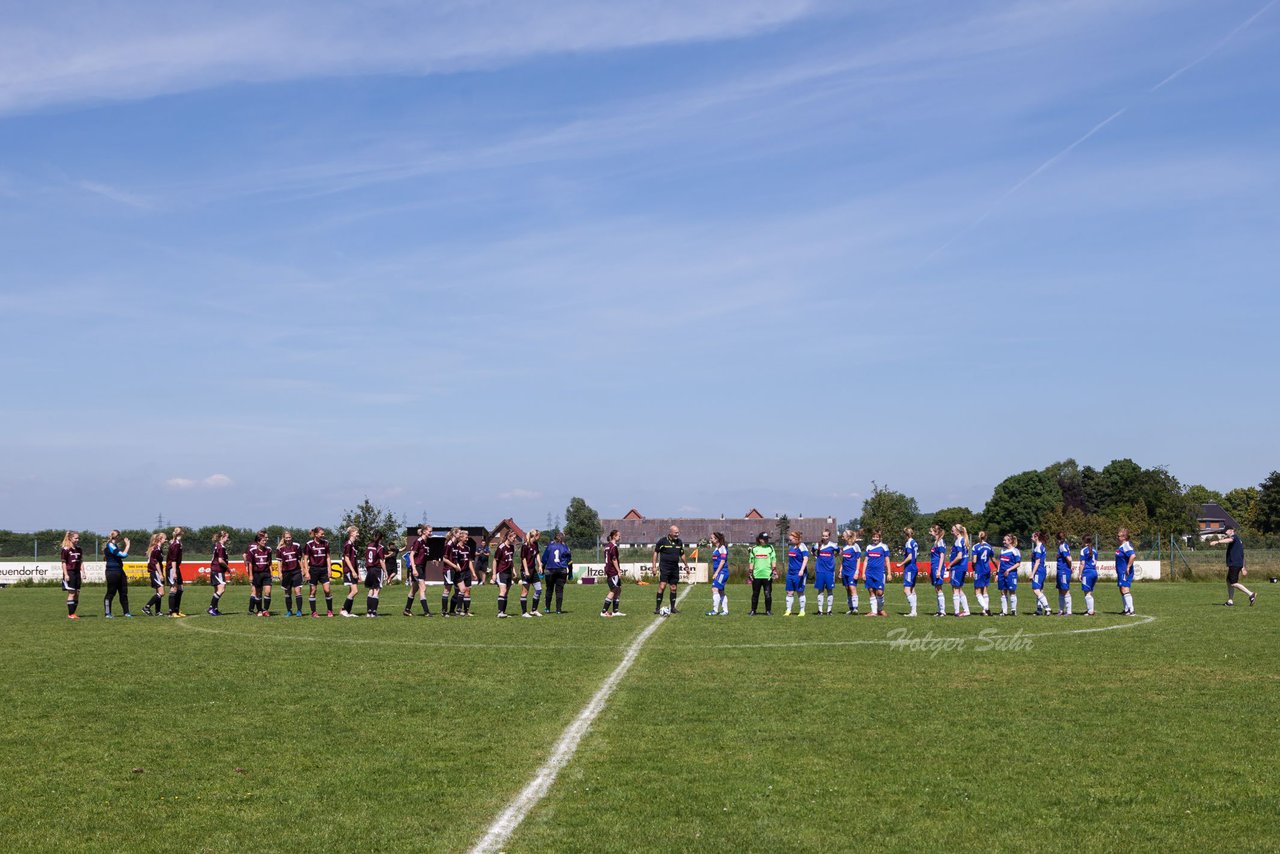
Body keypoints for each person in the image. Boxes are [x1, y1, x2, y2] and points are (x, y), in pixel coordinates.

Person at [1209, 525, 1257, 607]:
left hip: (1235, 564)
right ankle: (1230, 601)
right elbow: (1241, 554)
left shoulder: (1234, 537)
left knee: (1234, 583)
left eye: (1226, 531)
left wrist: (1217, 542)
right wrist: (1243, 567)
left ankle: (1251, 594)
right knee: (1229, 581)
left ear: (1231, 530)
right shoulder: (1238, 540)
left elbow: (1229, 540)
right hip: (1236, 564)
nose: (1225, 533)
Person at [652, 525, 688, 615]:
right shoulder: (662, 541)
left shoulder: (679, 542)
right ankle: (657, 608)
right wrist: (654, 566)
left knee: (673, 588)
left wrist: (686, 565)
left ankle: (673, 608)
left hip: (674, 568)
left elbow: (682, 554)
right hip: (664, 567)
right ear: (670, 533)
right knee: (662, 586)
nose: (677, 534)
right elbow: (656, 552)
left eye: (678, 532)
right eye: (676, 533)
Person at [305, 526, 334, 617]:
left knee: (327, 590)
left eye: (323, 533)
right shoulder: (309, 544)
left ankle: (329, 610)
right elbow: (305, 559)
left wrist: (329, 569)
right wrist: (306, 572)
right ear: (316, 534)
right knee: (313, 591)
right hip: (313, 570)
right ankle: (314, 612)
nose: (323, 535)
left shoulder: (326, 543)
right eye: (322, 534)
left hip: (323, 569)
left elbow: (328, 557)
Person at [404, 525, 433, 617]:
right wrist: (414, 568)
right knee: (423, 588)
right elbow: (411, 555)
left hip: (421, 567)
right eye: (429, 531)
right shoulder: (418, 541)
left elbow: (423, 556)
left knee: (414, 589)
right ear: (424, 531)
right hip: (417, 567)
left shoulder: (426, 542)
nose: (431, 533)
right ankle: (426, 612)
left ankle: (407, 610)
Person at [103, 530, 132, 618]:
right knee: (111, 593)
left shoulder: (114, 545)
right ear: (117, 537)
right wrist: (127, 545)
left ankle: (126, 612)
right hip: (112, 571)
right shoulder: (110, 545)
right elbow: (122, 555)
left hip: (120, 571)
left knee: (123, 593)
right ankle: (108, 613)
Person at [541, 531, 572, 615]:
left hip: (550, 570)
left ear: (554, 538)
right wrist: (570, 573)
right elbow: (569, 561)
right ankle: (558, 610)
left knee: (549, 589)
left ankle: (547, 608)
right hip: (561, 570)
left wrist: (542, 571)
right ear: (563, 539)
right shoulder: (565, 547)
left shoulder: (549, 546)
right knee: (559, 591)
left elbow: (544, 560)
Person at [861, 529, 890, 617]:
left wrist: (889, 573)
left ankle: (880, 610)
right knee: (871, 591)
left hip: (880, 573)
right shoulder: (869, 547)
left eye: (877, 537)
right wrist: (863, 573)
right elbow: (866, 561)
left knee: (880, 592)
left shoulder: (884, 547)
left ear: (880, 538)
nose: (875, 538)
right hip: (869, 572)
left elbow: (887, 560)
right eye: (873, 537)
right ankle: (873, 612)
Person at [747, 532, 776, 616]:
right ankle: (753, 610)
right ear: (760, 540)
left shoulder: (770, 548)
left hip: (767, 575)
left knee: (767, 594)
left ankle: (768, 610)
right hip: (756, 575)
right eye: (765, 539)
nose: (767, 540)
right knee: (755, 593)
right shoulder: (754, 548)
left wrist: (774, 570)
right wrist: (750, 572)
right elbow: (751, 561)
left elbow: (773, 559)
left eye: (767, 539)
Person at [246, 530, 274, 616]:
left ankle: (265, 610)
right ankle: (259, 610)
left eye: (265, 540)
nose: (265, 542)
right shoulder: (252, 551)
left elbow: (269, 562)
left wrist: (271, 572)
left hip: (266, 574)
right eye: (263, 540)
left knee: (268, 592)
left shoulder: (268, 550)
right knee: (258, 593)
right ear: (258, 541)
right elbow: (250, 564)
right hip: (257, 574)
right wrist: (250, 575)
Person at [276, 531, 304, 617]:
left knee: (297, 591)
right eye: (286, 538)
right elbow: (279, 562)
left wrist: (303, 569)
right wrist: (280, 573)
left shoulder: (297, 546)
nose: (288, 539)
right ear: (283, 538)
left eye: (289, 537)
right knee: (287, 592)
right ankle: (289, 611)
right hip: (286, 573)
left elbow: (300, 559)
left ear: (291, 537)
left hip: (296, 571)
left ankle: (299, 611)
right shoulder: (280, 549)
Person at [812, 529, 838, 616]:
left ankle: (829, 610)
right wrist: (816, 557)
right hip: (820, 570)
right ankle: (820, 610)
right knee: (820, 590)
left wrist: (834, 556)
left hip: (829, 571)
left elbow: (839, 551)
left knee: (829, 590)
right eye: (823, 535)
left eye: (826, 536)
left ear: (829, 536)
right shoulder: (818, 545)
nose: (824, 537)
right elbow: (812, 551)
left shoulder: (833, 545)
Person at [783, 530, 809, 617]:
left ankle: (802, 611)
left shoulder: (802, 547)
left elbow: (805, 559)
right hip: (790, 573)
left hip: (799, 573)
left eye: (791, 540)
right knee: (789, 592)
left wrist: (802, 570)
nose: (790, 541)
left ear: (797, 539)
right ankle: (788, 610)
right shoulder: (792, 547)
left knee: (799, 591)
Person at [948, 524, 971, 617]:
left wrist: (950, 565)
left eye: (953, 530)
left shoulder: (959, 541)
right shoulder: (963, 540)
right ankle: (966, 610)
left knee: (955, 589)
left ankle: (957, 611)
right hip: (962, 567)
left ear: (958, 531)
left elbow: (959, 556)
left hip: (958, 567)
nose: (951, 531)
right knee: (959, 589)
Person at [143, 531, 168, 617]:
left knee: (158, 592)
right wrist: (160, 574)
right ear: (160, 539)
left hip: (156, 571)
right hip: (155, 572)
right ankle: (146, 607)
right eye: (165, 538)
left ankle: (158, 611)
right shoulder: (156, 549)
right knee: (161, 593)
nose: (166, 540)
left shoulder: (156, 548)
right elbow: (156, 562)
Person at [519, 529, 543, 617]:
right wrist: (526, 570)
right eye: (539, 535)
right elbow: (523, 558)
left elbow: (537, 554)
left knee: (539, 589)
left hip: (533, 570)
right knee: (525, 591)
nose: (540, 537)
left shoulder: (535, 544)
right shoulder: (525, 545)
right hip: (526, 570)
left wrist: (540, 565)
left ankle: (534, 610)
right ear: (535, 535)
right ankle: (524, 612)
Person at [364, 532, 388, 617]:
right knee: (376, 591)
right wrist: (385, 572)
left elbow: (366, 557)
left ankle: (368, 612)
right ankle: (373, 612)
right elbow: (381, 561)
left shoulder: (369, 545)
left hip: (369, 569)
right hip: (377, 570)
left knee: (371, 590)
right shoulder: (380, 547)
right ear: (381, 538)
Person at [60, 531, 83, 619]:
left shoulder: (79, 549)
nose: (77, 540)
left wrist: (83, 572)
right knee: (72, 593)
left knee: (77, 593)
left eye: (78, 538)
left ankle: (73, 613)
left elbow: (81, 561)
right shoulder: (65, 549)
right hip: (70, 572)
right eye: (76, 538)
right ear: (70, 538)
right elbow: (63, 563)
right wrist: (66, 574)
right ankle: (70, 614)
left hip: (77, 573)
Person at [603, 529, 626, 617]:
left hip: (610, 570)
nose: (620, 537)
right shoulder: (613, 546)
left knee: (618, 589)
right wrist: (618, 571)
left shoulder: (607, 546)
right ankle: (604, 611)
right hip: (612, 571)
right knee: (613, 590)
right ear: (614, 536)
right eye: (619, 536)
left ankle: (615, 611)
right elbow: (614, 559)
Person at [494, 530, 517, 618]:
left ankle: (503, 612)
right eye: (513, 538)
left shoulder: (511, 547)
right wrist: (494, 574)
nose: (515, 539)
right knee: (502, 591)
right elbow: (495, 560)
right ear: (508, 537)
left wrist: (514, 570)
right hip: (501, 572)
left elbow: (511, 560)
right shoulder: (501, 547)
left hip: (508, 572)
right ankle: (500, 612)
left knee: (506, 593)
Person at [339, 526, 360, 617]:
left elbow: (354, 560)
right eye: (356, 532)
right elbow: (347, 559)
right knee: (355, 591)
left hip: (353, 570)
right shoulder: (348, 544)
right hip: (349, 570)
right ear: (351, 533)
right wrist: (352, 571)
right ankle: (343, 610)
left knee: (351, 590)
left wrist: (357, 572)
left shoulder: (353, 545)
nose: (358, 534)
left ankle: (347, 610)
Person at [971, 531, 994, 617]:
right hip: (987, 570)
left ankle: (986, 608)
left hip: (979, 570)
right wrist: (997, 567)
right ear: (986, 537)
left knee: (977, 591)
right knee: (985, 590)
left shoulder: (975, 547)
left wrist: (974, 568)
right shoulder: (989, 546)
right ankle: (984, 611)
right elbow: (993, 558)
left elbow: (974, 560)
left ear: (978, 537)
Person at [208, 530, 230, 616]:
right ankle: (211, 608)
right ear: (222, 537)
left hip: (215, 570)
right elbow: (220, 560)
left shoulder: (218, 545)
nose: (228, 539)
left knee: (217, 590)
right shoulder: (221, 547)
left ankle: (215, 609)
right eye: (227, 537)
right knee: (222, 589)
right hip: (218, 570)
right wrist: (228, 568)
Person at [706, 531, 729, 616]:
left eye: (712, 538)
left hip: (722, 572)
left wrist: (716, 573)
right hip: (720, 572)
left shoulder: (722, 548)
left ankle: (715, 610)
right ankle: (725, 611)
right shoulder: (717, 548)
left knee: (714, 589)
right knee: (721, 591)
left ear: (717, 539)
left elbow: (722, 562)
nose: (710, 539)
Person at [840, 529, 862, 615]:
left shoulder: (855, 546)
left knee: (852, 588)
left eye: (844, 535)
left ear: (848, 536)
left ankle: (855, 608)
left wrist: (856, 571)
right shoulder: (844, 547)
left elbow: (858, 559)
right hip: (845, 571)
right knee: (847, 589)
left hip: (852, 571)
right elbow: (843, 560)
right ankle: (851, 608)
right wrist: (841, 570)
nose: (842, 536)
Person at [166, 527, 186, 617]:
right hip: (172, 568)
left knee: (181, 589)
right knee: (173, 588)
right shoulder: (175, 544)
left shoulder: (178, 543)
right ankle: (172, 612)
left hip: (176, 567)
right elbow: (173, 559)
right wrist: (174, 572)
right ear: (181, 533)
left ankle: (177, 611)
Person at [998, 535, 1020, 616]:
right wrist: (997, 573)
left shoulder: (1015, 551)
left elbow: (1018, 564)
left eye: (1005, 540)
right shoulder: (1002, 550)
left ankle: (1013, 610)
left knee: (1012, 592)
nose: (1003, 541)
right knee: (1003, 592)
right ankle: (1004, 611)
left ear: (1010, 541)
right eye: (1003, 540)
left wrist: (1009, 570)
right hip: (1001, 574)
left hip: (1011, 574)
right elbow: (1000, 563)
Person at [1116, 528, 1136, 616]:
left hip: (1125, 571)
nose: (1117, 537)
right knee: (1121, 589)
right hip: (1121, 572)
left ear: (1124, 537)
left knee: (1125, 588)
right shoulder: (1121, 546)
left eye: (1118, 536)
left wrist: (1128, 566)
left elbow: (1133, 555)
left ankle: (1131, 610)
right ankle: (1126, 609)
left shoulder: (1126, 545)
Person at [1029, 531, 1050, 616]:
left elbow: (1037, 562)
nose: (1031, 537)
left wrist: (1032, 574)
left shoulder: (1038, 548)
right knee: (1040, 590)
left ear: (1036, 537)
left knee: (1036, 590)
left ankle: (1047, 608)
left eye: (1032, 536)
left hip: (1038, 571)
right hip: (1042, 570)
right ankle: (1039, 610)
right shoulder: (1041, 546)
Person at [929, 524, 948, 617]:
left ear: (936, 532)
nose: (930, 532)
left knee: (939, 588)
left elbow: (942, 557)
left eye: (931, 531)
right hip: (934, 565)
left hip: (937, 566)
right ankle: (940, 610)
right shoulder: (936, 542)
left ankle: (943, 611)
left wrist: (939, 570)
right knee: (936, 588)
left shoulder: (940, 542)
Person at [900, 527, 919, 617]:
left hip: (909, 567)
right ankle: (914, 611)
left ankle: (913, 611)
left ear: (905, 534)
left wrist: (901, 564)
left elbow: (910, 556)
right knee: (912, 589)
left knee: (906, 590)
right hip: (914, 566)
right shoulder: (914, 542)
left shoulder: (908, 543)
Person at [1054, 532, 1073, 616]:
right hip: (1060, 571)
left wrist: (1070, 567)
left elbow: (1069, 558)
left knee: (1065, 590)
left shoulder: (1062, 546)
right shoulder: (1062, 546)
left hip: (1064, 571)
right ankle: (1061, 610)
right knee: (1060, 590)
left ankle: (1069, 611)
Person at [1078, 536, 1097, 617]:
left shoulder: (1083, 550)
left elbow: (1082, 563)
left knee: (1087, 593)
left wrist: (1080, 574)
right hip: (1094, 572)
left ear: (1084, 542)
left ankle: (1090, 611)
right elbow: (1095, 562)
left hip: (1087, 573)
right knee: (1089, 592)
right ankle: (1090, 610)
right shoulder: (1095, 550)